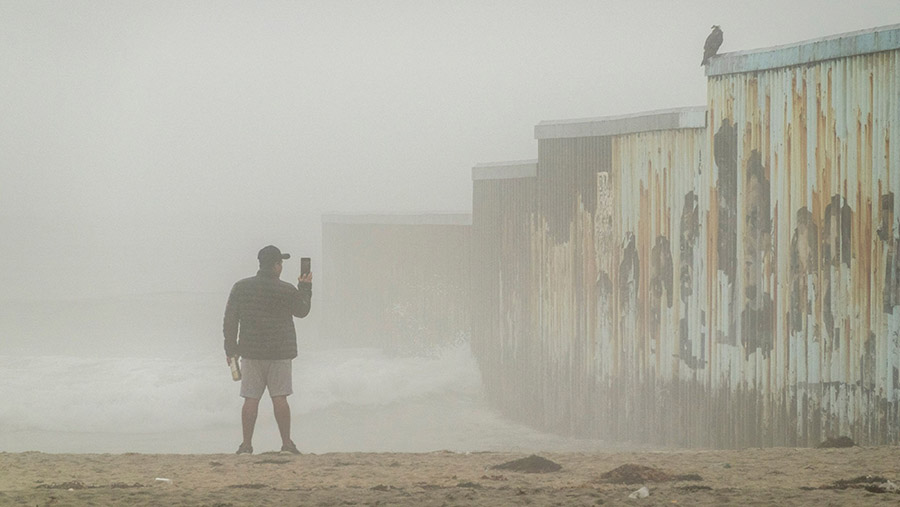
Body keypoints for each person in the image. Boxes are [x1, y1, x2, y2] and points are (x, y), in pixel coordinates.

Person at [223, 245, 312, 455]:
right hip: (280, 352)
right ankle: (287, 444)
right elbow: (302, 311)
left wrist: (230, 349)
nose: (281, 266)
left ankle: (246, 445)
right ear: (276, 266)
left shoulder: (241, 287)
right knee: (280, 398)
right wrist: (305, 288)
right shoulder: (287, 289)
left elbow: (230, 320)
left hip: (251, 352)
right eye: (280, 263)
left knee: (250, 398)